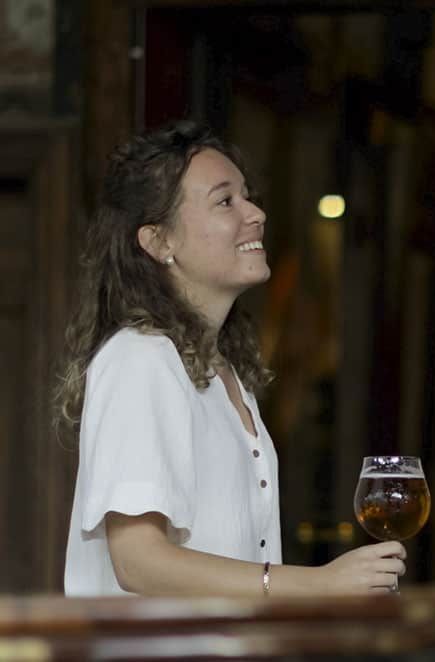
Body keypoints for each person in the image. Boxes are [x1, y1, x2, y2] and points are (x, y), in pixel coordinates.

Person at [57, 120, 404, 597]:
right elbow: (137, 562)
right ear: (159, 241)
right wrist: (318, 584)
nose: (256, 213)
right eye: (225, 201)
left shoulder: (224, 372)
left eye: (248, 196)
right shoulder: (141, 358)